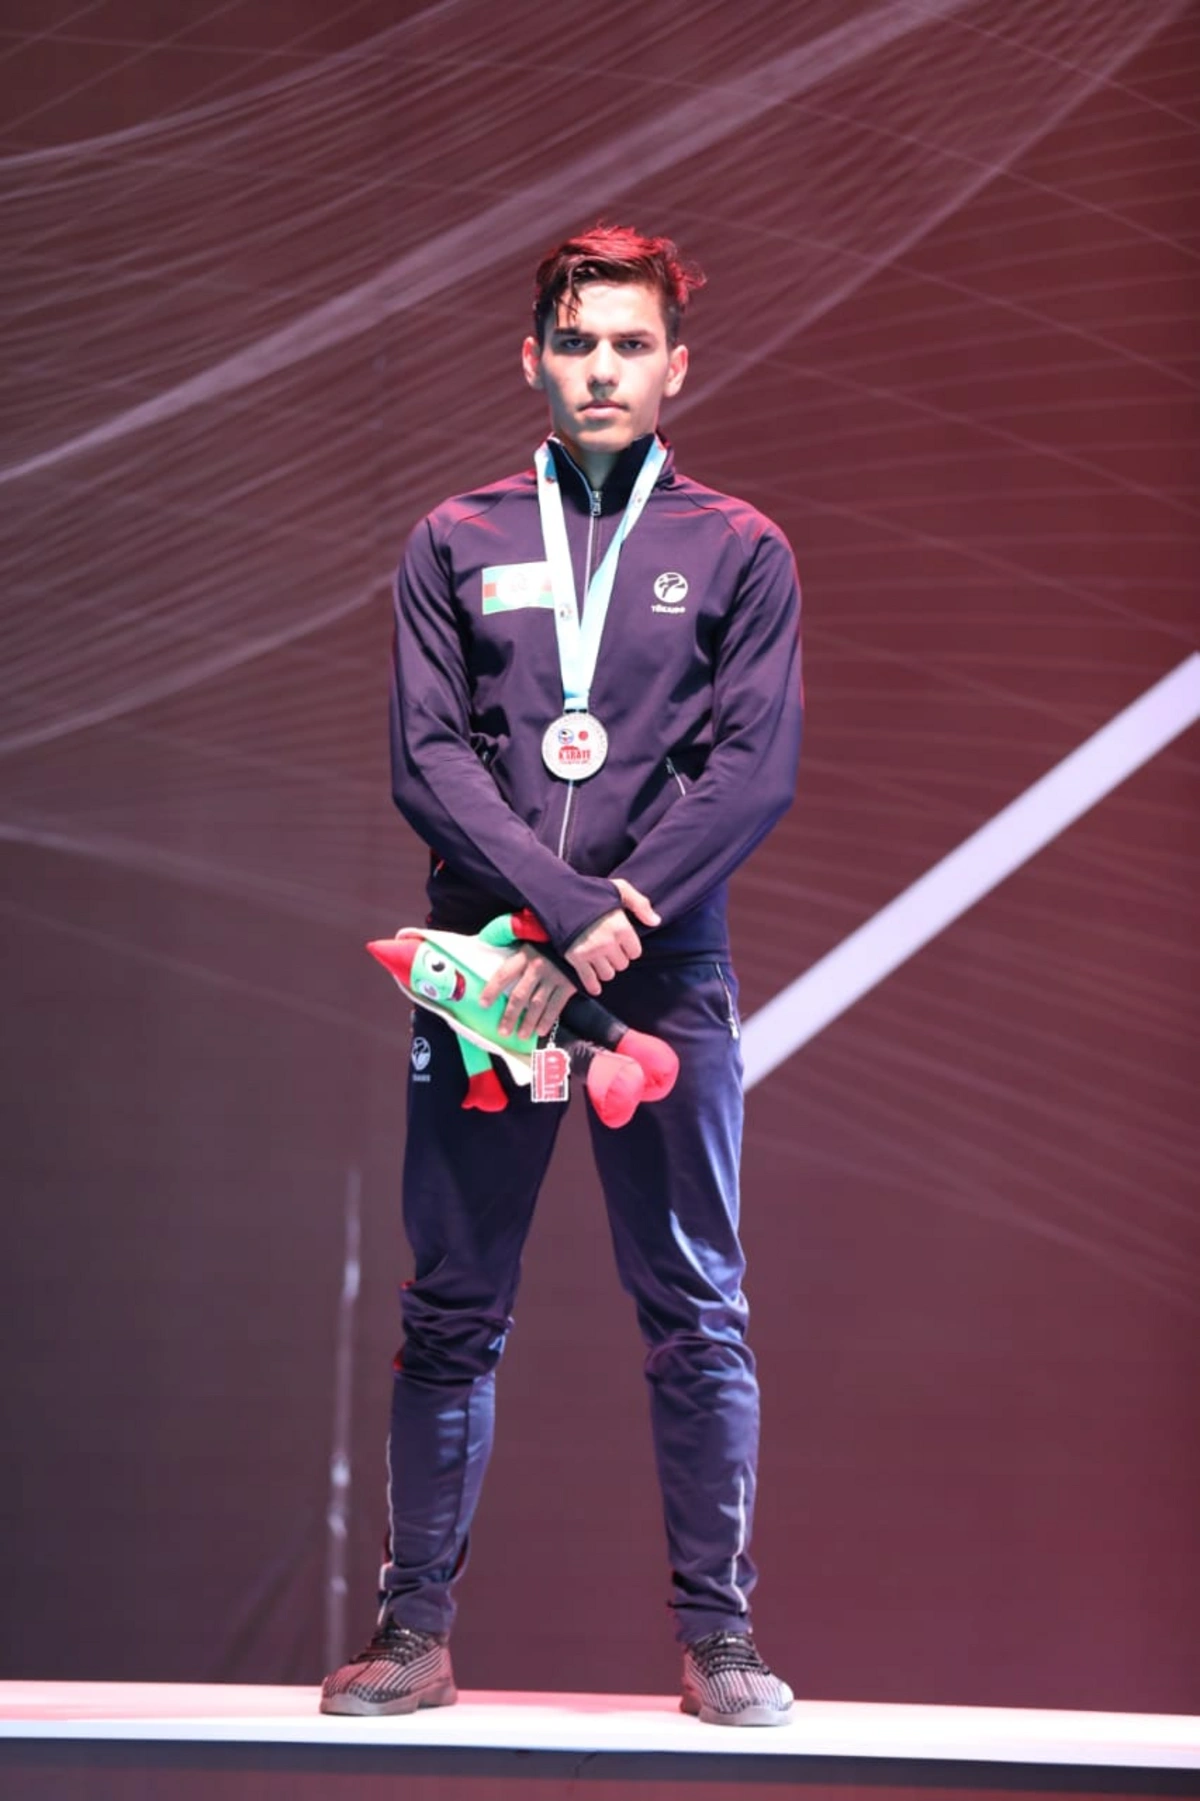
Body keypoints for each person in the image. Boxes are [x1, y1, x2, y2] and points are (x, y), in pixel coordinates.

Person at [321, 225, 803, 1728]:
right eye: (578, 342)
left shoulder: (739, 548)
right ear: (532, 357)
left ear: (677, 367)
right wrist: (553, 913)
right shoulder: (453, 539)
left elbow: (754, 767)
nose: (604, 369)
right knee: (451, 1304)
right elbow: (428, 757)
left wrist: (620, 913)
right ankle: (412, 1635)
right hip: (488, 974)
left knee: (697, 1307)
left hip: (664, 968)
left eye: (631, 345)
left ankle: (722, 1643)